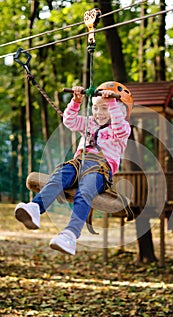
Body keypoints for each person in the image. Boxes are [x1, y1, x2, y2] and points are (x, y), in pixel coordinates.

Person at [14, 81, 133, 256]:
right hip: (78, 163)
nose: (98, 113)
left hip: (100, 169)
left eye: (104, 108)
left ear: (119, 110)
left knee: (84, 192)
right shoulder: (89, 123)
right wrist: (76, 101)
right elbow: (69, 121)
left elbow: (120, 129)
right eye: (96, 108)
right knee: (58, 176)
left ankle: (69, 235)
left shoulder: (121, 128)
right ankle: (35, 208)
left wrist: (112, 103)